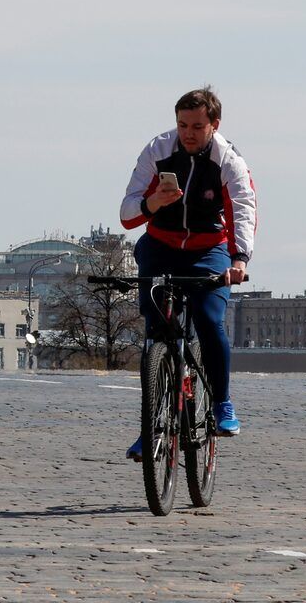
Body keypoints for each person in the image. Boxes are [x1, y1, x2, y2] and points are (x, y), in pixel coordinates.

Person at [120, 87, 256, 446]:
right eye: (182, 125)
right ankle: (150, 430)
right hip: (161, 246)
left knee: (209, 321)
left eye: (197, 126)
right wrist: (153, 202)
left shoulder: (228, 160)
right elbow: (127, 212)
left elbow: (243, 209)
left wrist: (239, 259)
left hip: (208, 250)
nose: (188, 133)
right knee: (155, 336)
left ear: (214, 124)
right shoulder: (158, 150)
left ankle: (223, 404)